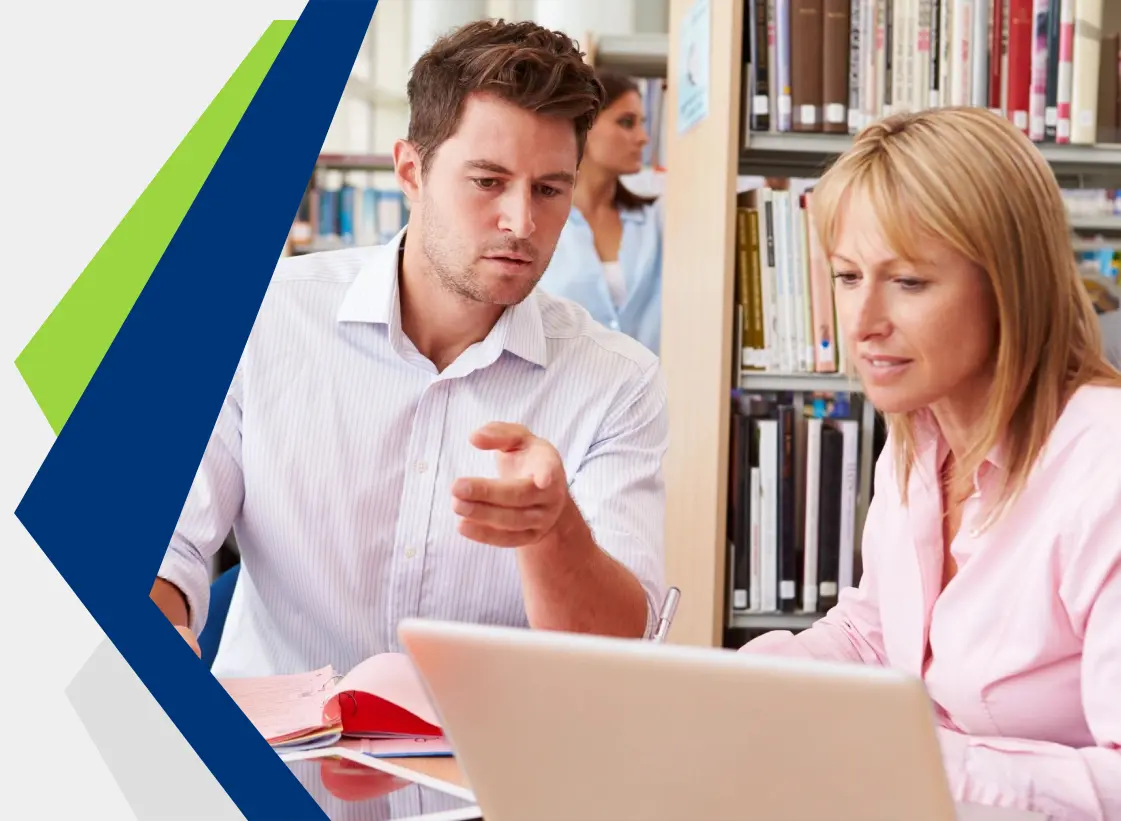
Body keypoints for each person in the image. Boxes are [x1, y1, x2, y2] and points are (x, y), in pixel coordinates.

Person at [151, 19, 667, 679]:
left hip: (488, 780)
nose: (522, 222)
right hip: (274, 771)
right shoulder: (256, 318)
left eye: (548, 189)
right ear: (410, 171)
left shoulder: (617, 381)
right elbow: (162, 550)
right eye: (487, 181)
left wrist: (555, 529)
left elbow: (619, 653)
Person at [740, 108, 1121, 820]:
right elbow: (874, 632)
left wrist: (909, 759)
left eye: (908, 282)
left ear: (1010, 285)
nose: (860, 322)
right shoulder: (920, 431)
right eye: (848, 276)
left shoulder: (1105, 473)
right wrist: (723, 689)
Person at [536, 70, 663, 355]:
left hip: (649, 391)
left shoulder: (654, 222)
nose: (643, 138)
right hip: (563, 391)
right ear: (586, 128)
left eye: (643, 124)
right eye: (626, 123)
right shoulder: (539, 221)